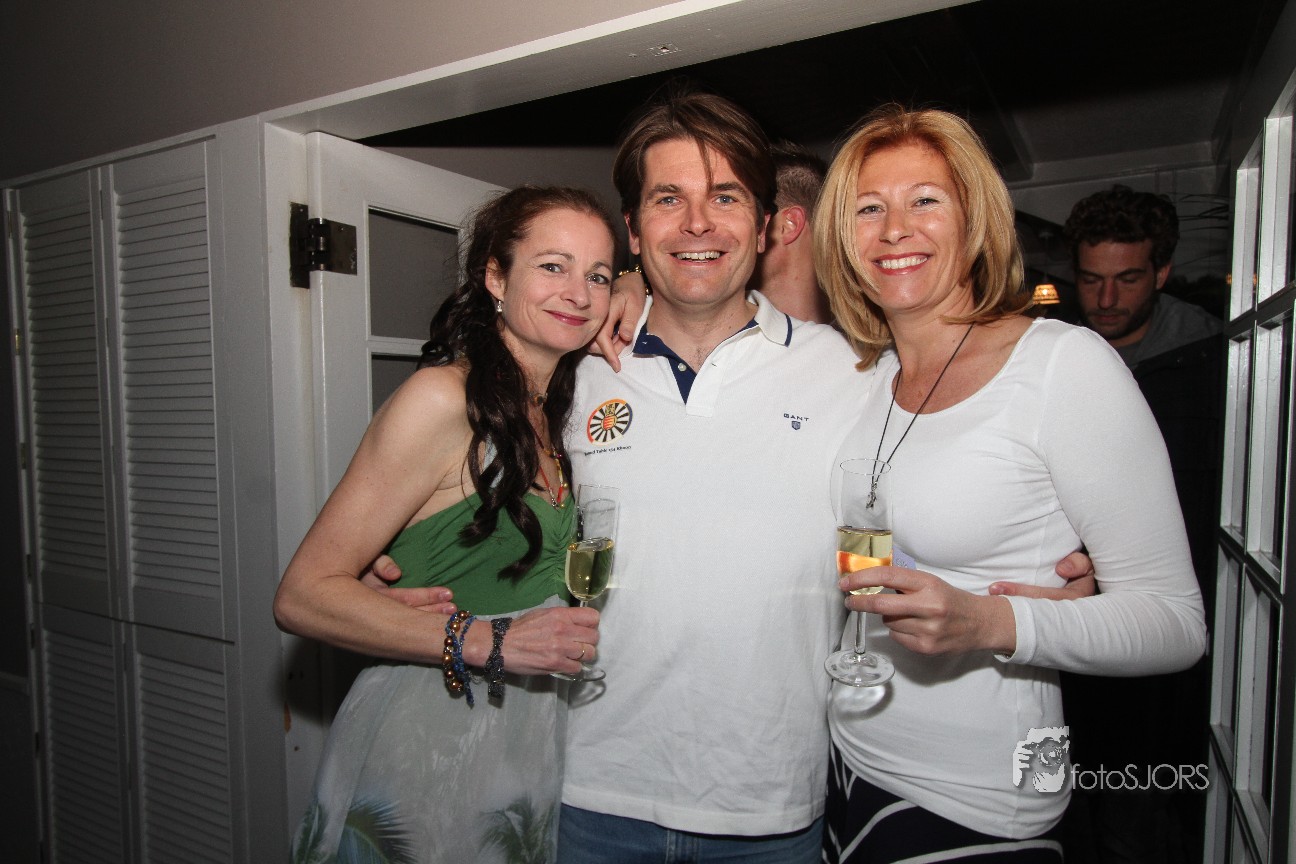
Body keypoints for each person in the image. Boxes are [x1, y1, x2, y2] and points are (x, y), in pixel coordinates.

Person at [369, 93, 1098, 863]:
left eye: (725, 197)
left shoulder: (856, 371)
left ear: (767, 225)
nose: (696, 223)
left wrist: (1018, 587)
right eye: (668, 199)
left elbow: (905, 515)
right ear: (634, 231)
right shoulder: (573, 370)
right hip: (587, 792)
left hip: (774, 805)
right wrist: (406, 572)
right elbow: (491, 509)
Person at [813, 106, 1208, 863]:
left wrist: (992, 624)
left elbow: (1175, 625)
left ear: (975, 220)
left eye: (925, 200)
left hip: (982, 794)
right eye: (868, 208)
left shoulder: (1062, 364)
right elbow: (889, 544)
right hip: (847, 762)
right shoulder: (871, 378)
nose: (894, 229)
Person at [272, 186, 617, 863]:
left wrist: (631, 287)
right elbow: (301, 595)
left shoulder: (554, 413)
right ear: (495, 277)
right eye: (552, 266)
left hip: (519, 753)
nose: (579, 293)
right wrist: (486, 639)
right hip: (424, 748)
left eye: (598, 275)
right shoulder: (440, 399)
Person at [1060, 185, 1224, 864]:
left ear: (1161, 272)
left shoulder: (1213, 360)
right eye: (1090, 279)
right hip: (1071, 614)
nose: (1105, 299)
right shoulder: (1057, 354)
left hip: (1168, 621)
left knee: (1145, 809)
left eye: (1127, 279)